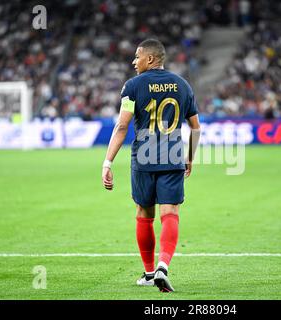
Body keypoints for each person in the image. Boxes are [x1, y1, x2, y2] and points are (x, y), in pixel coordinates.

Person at [101, 39, 201, 292]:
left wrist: (107, 161)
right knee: (170, 213)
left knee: (144, 215)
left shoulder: (132, 86)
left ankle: (148, 272)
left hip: (143, 157)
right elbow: (195, 127)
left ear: (151, 59)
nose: (134, 62)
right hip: (173, 155)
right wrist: (190, 156)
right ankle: (163, 267)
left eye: (137, 57)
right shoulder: (182, 84)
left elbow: (122, 126)